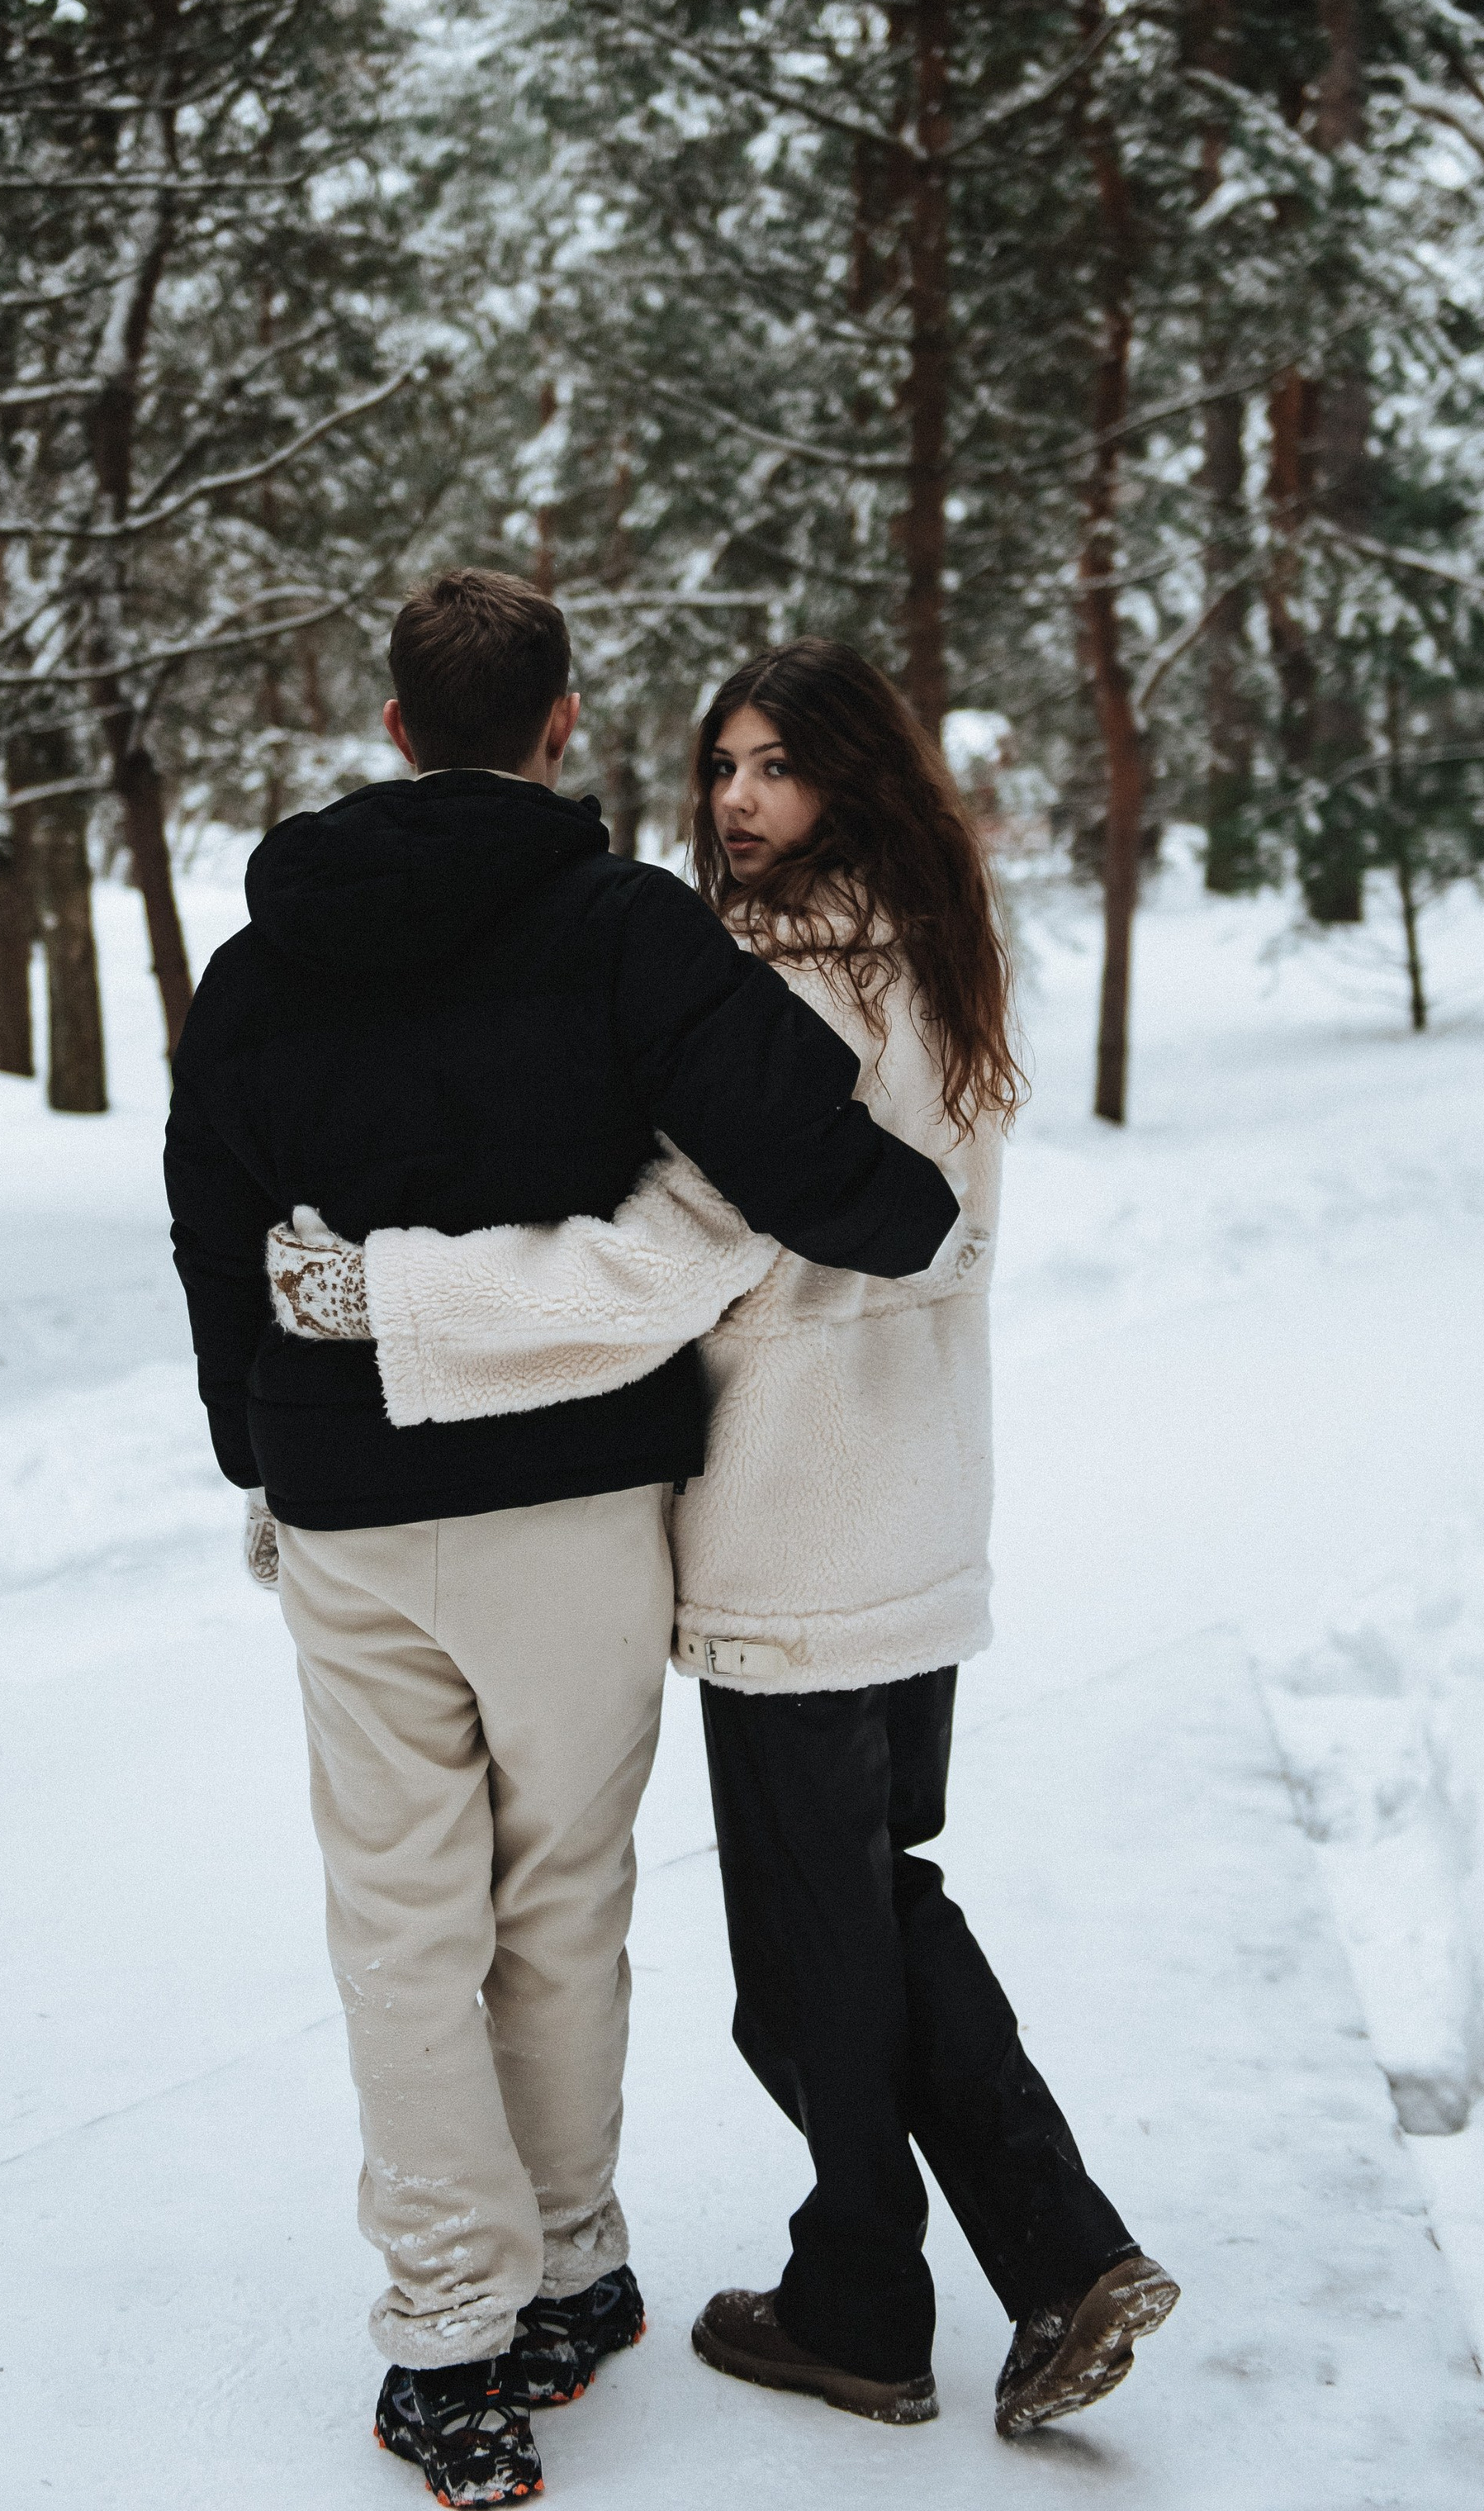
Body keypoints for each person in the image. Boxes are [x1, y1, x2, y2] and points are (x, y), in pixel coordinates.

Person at [304, 638, 1179, 2446]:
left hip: (798, 1530)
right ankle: (1046, 2255)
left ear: (851, 779)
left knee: (803, 1965)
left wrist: (378, 1290)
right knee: (872, 1895)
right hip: (916, 1507)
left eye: (775, 768)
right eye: (719, 768)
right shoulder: (939, 949)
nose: (735, 804)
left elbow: (661, 1258)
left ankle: (877, 2298)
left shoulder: (787, 977)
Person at [164, 576, 960, 2508]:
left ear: (386, 724)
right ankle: (575, 2261)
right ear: (563, 723)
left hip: (350, 1508)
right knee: (558, 1906)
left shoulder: (262, 961)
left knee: (399, 1920)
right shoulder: (624, 926)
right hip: (578, 1502)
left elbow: (208, 1217)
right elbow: (800, 1147)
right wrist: (911, 1216)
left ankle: (452, 2331)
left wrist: (249, 1452)